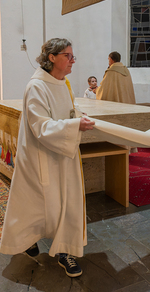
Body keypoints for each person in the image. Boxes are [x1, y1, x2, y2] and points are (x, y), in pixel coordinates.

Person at [0, 38, 95, 277]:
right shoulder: (37, 86)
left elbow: (67, 112)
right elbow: (41, 126)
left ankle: (65, 251)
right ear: (52, 58)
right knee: (36, 204)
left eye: (73, 56)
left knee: (66, 204)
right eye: (68, 56)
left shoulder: (63, 83)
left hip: (63, 153)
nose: (73, 60)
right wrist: (75, 125)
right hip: (40, 156)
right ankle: (25, 240)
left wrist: (78, 117)